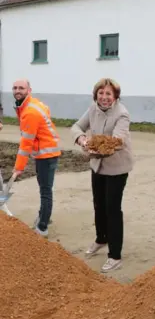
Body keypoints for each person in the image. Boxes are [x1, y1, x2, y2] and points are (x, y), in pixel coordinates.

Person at [72, 78, 134, 273]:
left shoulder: (122, 114)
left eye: (108, 94)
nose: (104, 97)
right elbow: (76, 127)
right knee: (98, 204)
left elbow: (117, 140)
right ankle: (101, 239)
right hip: (97, 165)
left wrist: (94, 144)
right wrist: (82, 140)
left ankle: (115, 255)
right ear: (96, 95)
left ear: (115, 96)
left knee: (112, 209)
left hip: (117, 167)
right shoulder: (93, 109)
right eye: (101, 93)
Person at [12, 79, 61, 237]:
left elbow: (26, 143)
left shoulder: (29, 112)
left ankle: (42, 227)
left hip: (46, 155)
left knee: (45, 191)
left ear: (29, 90)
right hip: (46, 152)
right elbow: (46, 110)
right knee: (45, 189)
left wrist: (18, 168)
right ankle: (43, 215)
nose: (17, 90)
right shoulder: (32, 104)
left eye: (21, 88)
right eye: (15, 88)